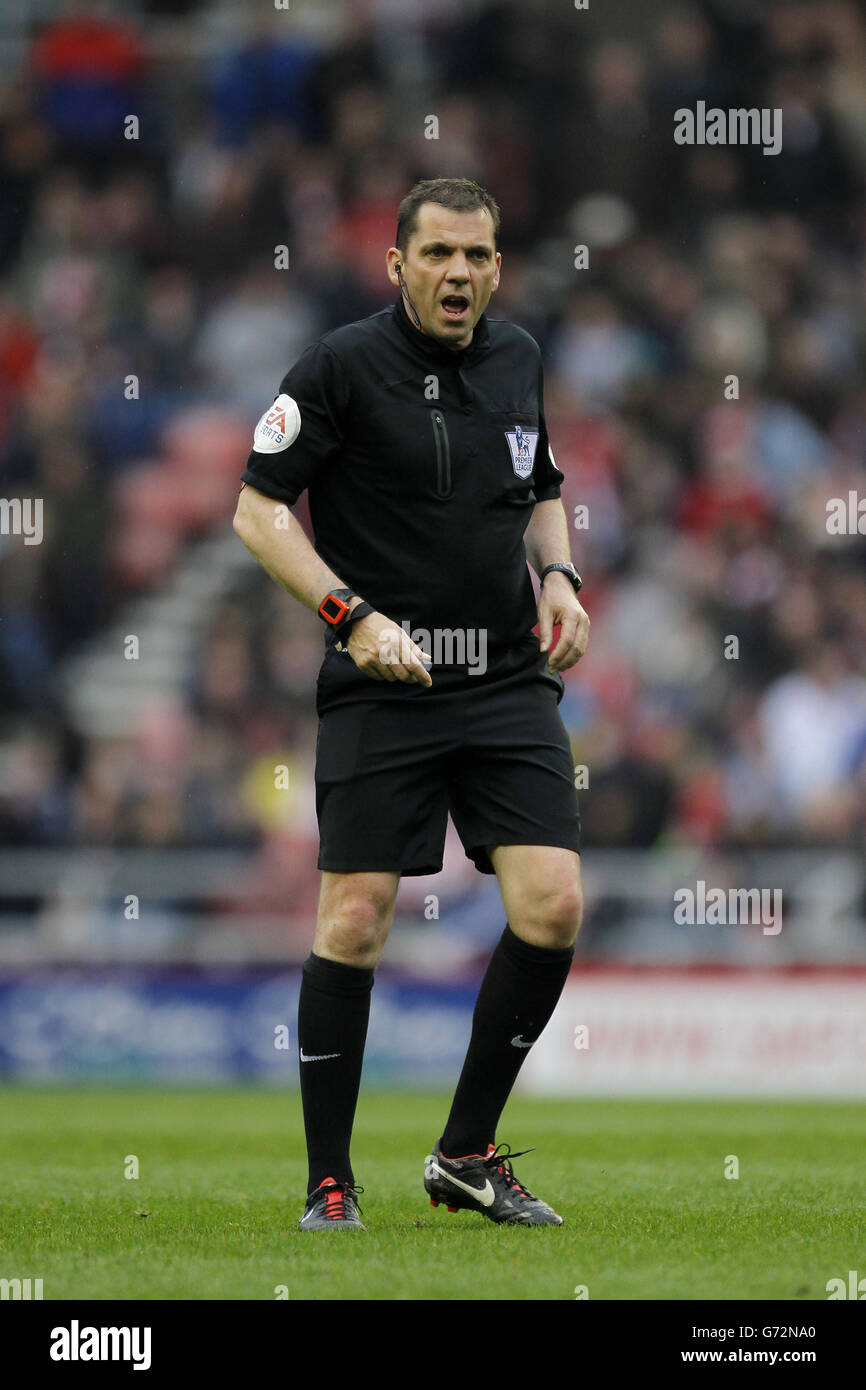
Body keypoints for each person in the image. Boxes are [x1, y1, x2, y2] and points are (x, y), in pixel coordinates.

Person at [233, 177, 590, 1230]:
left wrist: (561, 577)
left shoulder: (518, 357)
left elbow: (540, 485)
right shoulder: (339, 367)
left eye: (476, 256)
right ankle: (328, 1181)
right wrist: (349, 616)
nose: (458, 274)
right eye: (436, 254)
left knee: (554, 904)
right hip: (381, 684)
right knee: (352, 920)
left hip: (504, 676)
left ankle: (466, 1153)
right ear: (396, 265)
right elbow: (257, 513)